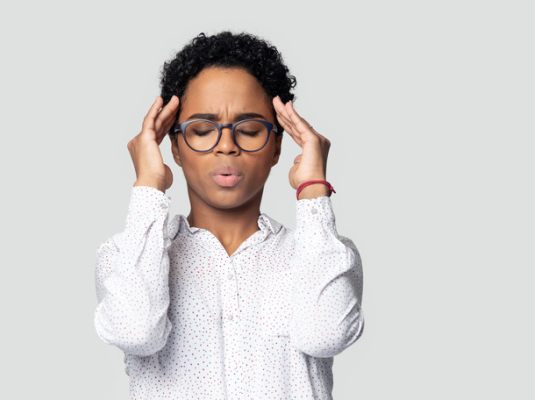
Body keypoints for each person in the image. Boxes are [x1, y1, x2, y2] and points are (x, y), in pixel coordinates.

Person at [94, 31, 364, 399]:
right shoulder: (129, 256)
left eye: (250, 130)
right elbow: (135, 331)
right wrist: (148, 185)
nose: (226, 145)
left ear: (277, 145)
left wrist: (313, 188)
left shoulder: (321, 254)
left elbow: (326, 335)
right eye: (202, 131)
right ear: (172, 145)